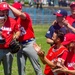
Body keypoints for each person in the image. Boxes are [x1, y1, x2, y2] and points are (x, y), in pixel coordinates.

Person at [8, 2, 43, 75]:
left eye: (15, 9)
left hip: (30, 44)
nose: (13, 12)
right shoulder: (14, 21)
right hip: (20, 46)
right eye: (12, 10)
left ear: (20, 9)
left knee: (36, 67)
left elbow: (20, 14)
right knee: (20, 69)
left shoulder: (25, 15)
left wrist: (9, 6)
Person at [0, 2, 20, 75]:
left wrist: (16, 35)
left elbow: (18, 31)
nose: (5, 13)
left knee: (8, 72)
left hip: (8, 50)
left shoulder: (12, 21)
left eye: (6, 11)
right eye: (3, 11)